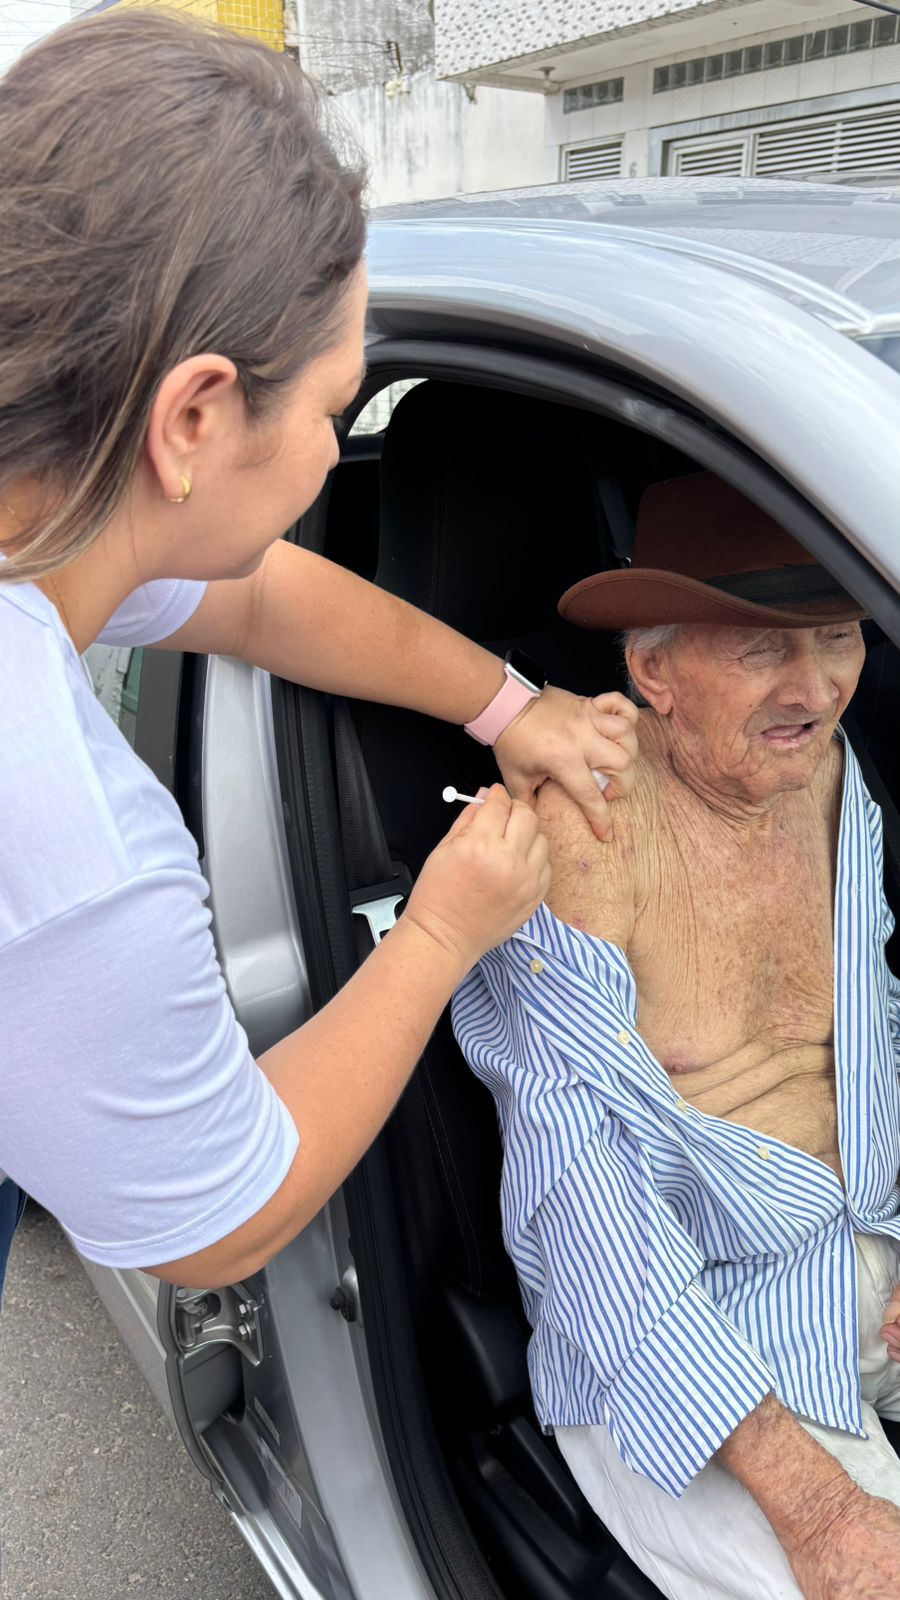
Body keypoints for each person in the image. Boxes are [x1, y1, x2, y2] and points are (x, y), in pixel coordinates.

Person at [0, 13, 639, 1303]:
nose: (333, 453)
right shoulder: (66, 846)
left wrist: (509, 705)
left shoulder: (55, 502)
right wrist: (442, 931)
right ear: (193, 418)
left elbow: (256, 601)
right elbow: (214, 1225)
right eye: (334, 409)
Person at [452, 471, 900, 1600]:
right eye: (762, 650)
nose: (817, 689)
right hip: (693, 1339)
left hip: (869, 1251)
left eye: (838, 636)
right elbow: (578, 1190)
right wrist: (817, 1507)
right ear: (654, 672)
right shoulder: (589, 830)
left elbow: (875, 1026)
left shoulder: (826, 770)